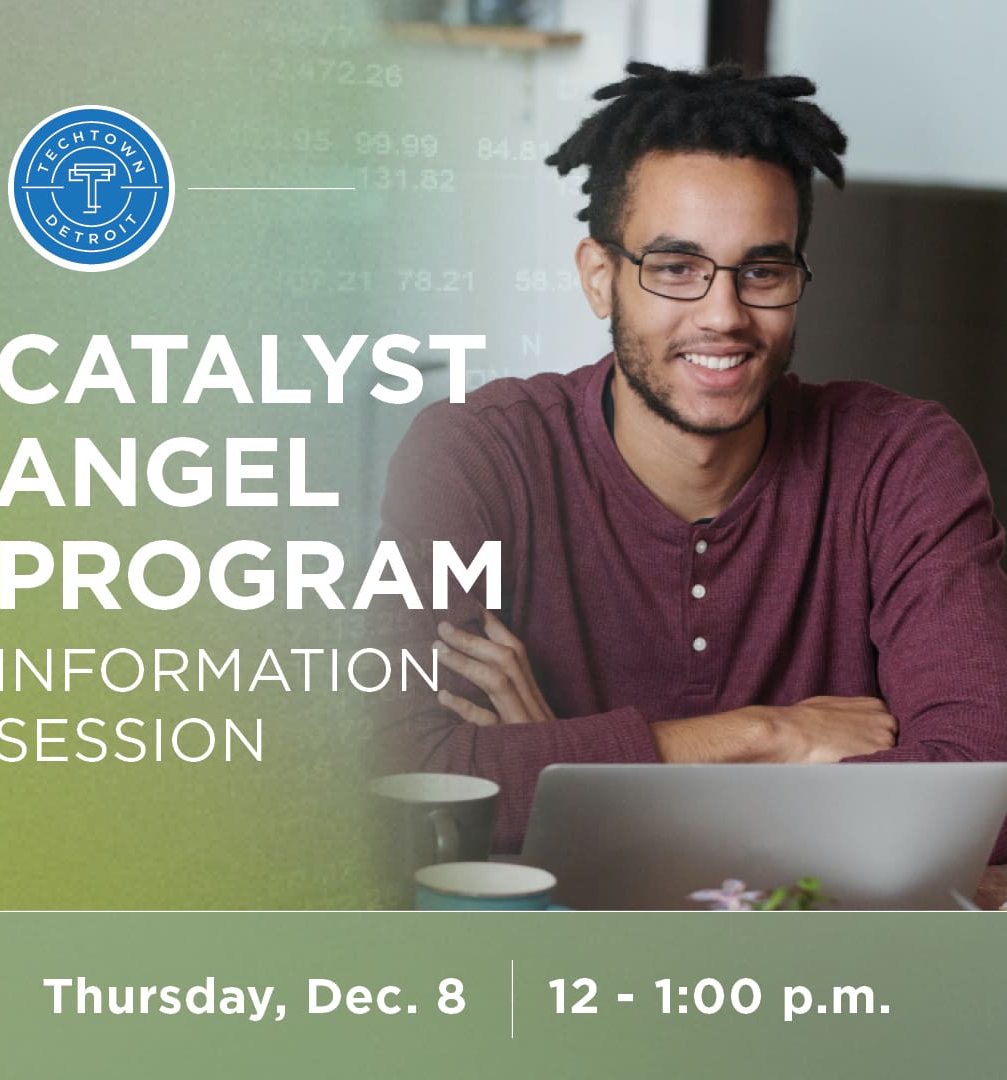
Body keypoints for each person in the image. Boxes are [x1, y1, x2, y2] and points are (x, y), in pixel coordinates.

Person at [374, 63, 1007, 861]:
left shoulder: (902, 461)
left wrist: (568, 767)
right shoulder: (478, 454)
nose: (724, 314)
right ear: (601, 280)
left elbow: (985, 783)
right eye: (676, 268)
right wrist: (765, 735)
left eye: (763, 271)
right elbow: (398, 770)